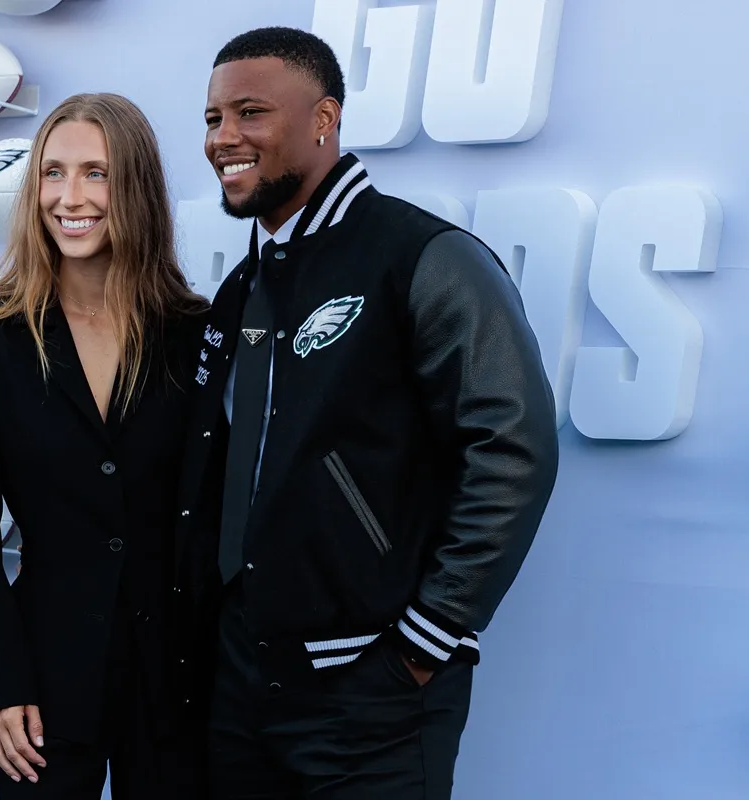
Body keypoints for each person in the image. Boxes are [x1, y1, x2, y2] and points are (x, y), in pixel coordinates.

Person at [169, 26, 561, 799]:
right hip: (239, 684)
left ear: (325, 119)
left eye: (251, 113)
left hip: (371, 693)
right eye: (213, 119)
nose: (224, 138)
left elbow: (513, 448)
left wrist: (422, 644)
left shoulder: (422, 257)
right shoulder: (242, 288)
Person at [0, 92, 209, 799]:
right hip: (41, 679)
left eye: (97, 173)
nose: (70, 197)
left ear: (136, 188)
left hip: (177, 675)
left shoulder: (193, 330)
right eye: (53, 173)